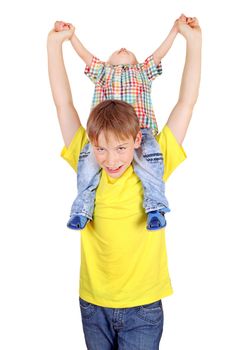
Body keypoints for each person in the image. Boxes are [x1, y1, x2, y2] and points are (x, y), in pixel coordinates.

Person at [47, 14, 201, 350]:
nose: (111, 159)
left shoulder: (153, 161)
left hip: (143, 306)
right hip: (93, 304)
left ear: (136, 141)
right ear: (91, 142)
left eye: (120, 148)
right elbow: (63, 104)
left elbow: (186, 103)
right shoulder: (86, 162)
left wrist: (193, 42)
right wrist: (54, 45)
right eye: (101, 148)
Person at [54, 19, 180, 231]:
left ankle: (155, 208)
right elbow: (85, 56)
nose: (123, 50)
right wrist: (71, 36)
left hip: (140, 133)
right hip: (104, 135)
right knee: (87, 165)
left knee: (151, 167)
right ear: (107, 62)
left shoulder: (142, 72)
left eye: (129, 54)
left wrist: (176, 30)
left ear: (138, 62)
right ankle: (81, 209)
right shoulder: (103, 73)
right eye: (117, 53)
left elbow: (160, 53)